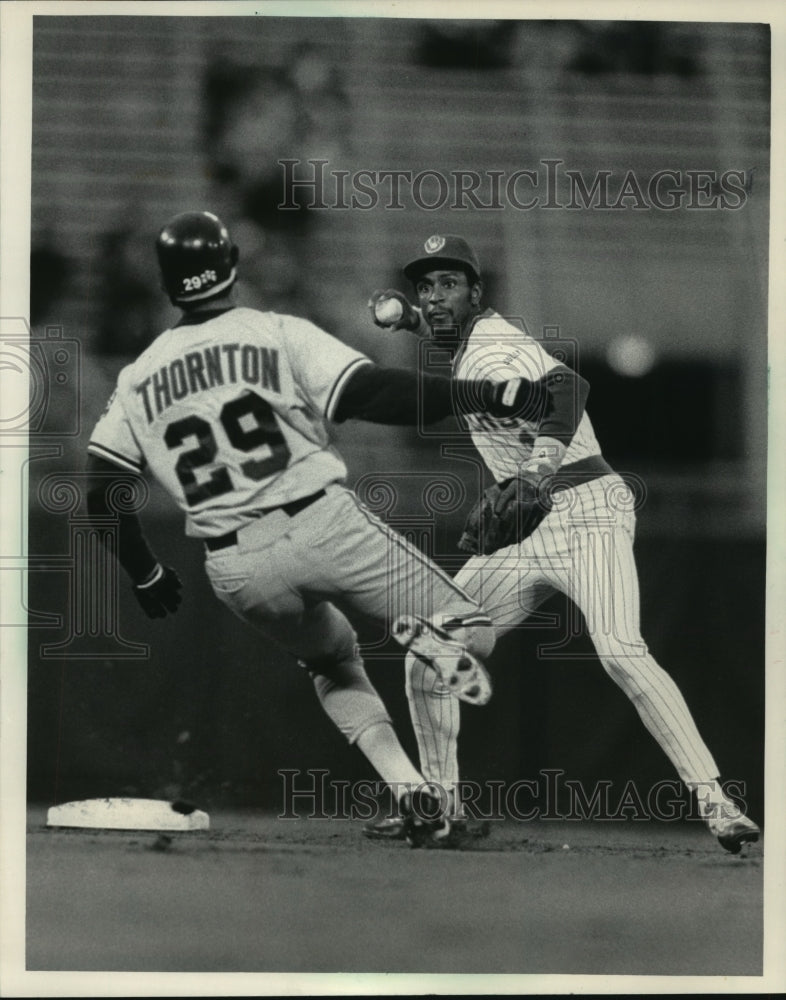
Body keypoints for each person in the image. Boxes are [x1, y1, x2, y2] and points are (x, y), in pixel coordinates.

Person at [85, 212, 541, 847]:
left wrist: (146, 571)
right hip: (317, 518)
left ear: (166, 285)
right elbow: (371, 393)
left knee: (333, 660)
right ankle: (423, 638)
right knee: (474, 631)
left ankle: (413, 794)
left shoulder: (137, 377)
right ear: (233, 264)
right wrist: (476, 395)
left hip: (236, 566)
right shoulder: (272, 331)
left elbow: (102, 494)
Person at [363, 233, 761, 854]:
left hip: (587, 510)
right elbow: (455, 339)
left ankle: (716, 802)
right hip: (528, 529)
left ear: (478, 291)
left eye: (449, 284)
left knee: (621, 653)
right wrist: (411, 321)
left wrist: (540, 469)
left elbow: (571, 389)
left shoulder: (497, 348)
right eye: (425, 286)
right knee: (430, 651)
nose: (435, 296)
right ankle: (439, 807)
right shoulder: (471, 338)